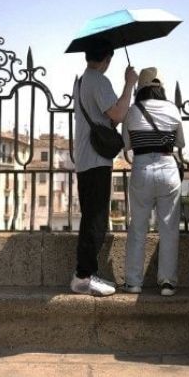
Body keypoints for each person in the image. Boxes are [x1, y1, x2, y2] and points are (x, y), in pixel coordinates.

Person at [72, 41, 136, 297]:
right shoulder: (98, 80)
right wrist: (129, 83)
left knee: (91, 218)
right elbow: (118, 114)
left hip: (86, 158)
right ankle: (83, 277)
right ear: (107, 58)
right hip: (96, 159)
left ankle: (85, 273)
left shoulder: (81, 81)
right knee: (96, 221)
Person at [121, 68, 185, 296]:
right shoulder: (172, 109)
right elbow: (181, 142)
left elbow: (127, 145)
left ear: (140, 88)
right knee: (168, 228)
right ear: (161, 88)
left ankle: (133, 282)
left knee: (138, 227)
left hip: (141, 168)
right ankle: (167, 282)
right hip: (168, 168)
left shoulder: (132, 111)